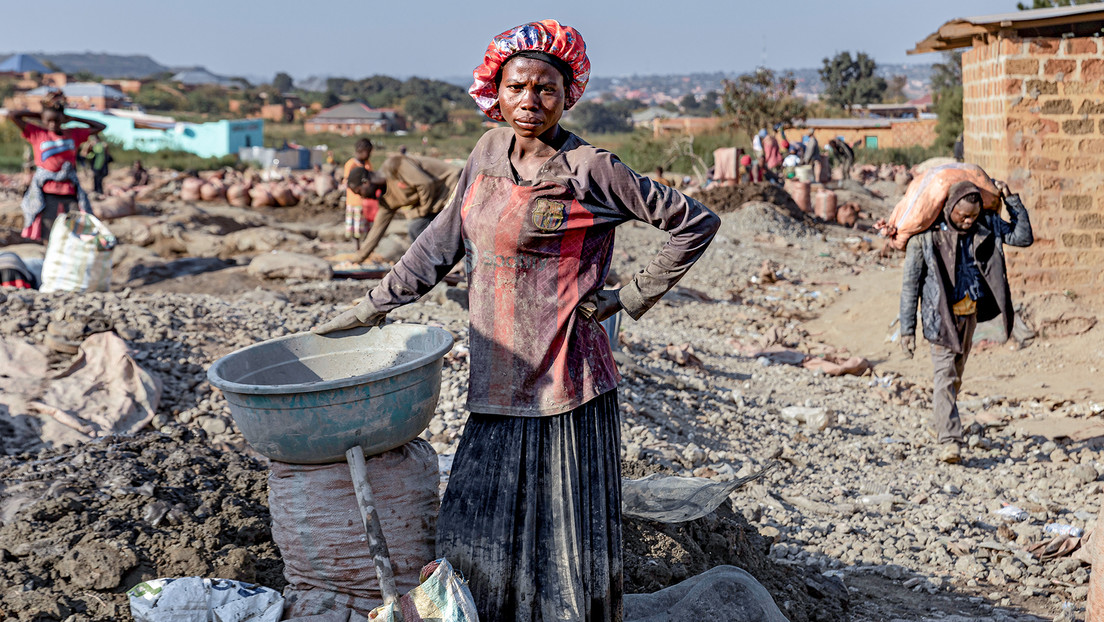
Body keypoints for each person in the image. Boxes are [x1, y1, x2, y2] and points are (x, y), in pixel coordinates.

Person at [313, 19, 720, 620]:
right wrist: (373, 306)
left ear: (568, 93)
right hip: (497, 376)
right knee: (475, 525)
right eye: (517, 87)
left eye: (546, 89)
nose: (530, 101)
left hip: (566, 387)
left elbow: (695, 222)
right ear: (495, 91)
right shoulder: (485, 153)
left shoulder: (590, 167)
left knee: (561, 545)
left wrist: (629, 295)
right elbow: (441, 240)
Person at [898, 180, 1033, 464]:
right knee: (945, 377)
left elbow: (1023, 237)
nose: (969, 221)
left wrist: (1013, 201)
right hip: (939, 317)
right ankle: (950, 441)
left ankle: (943, 417)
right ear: (949, 209)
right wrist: (907, 330)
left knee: (955, 377)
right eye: (963, 216)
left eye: (973, 216)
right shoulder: (926, 237)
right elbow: (911, 284)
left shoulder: (987, 225)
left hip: (969, 314)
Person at [11, 91, 106, 242]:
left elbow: (101, 126)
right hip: (47, 192)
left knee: (75, 230)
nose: (52, 124)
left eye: (56, 120)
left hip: (69, 191)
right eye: (49, 120)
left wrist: (72, 118)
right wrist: (41, 114)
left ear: (63, 119)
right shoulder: (38, 133)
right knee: (47, 230)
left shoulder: (73, 134)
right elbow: (13, 115)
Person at [349, 153, 462, 264]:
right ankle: (435, 266)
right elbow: (377, 230)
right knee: (417, 228)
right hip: (439, 204)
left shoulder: (395, 166)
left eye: (359, 192)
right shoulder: (386, 201)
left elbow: (426, 184)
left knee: (421, 225)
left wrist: (420, 211)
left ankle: (446, 265)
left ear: (365, 182)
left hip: (455, 185)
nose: (362, 197)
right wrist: (358, 258)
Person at [343, 138, 374, 249]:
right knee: (356, 228)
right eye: (368, 152)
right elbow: (347, 182)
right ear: (361, 150)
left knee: (365, 227)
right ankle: (357, 247)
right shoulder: (351, 164)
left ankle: (364, 247)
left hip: (366, 202)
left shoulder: (367, 164)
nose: (369, 155)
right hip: (354, 201)